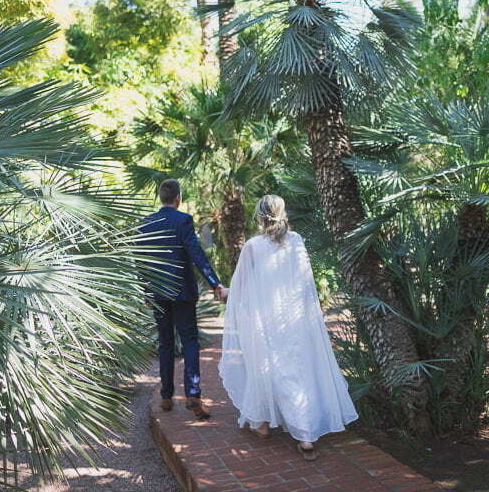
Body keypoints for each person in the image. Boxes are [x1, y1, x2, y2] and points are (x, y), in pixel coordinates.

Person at [218, 195, 358, 461]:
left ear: (259, 216)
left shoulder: (253, 246)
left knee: (266, 367)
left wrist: (226, 292)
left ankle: (271, 425)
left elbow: (242, 286)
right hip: (294, 319)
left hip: (265, 320)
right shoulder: (296, 241)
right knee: (295, 371)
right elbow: (306, 284)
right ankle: (296, 431)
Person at [139, 179, 226, 420]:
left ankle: (166, 396)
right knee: (189, 341)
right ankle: (193, 395)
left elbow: (141, 260)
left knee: (165, 343)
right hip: (182, 293)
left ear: (161, 198)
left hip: (157, 293)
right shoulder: (183, 220)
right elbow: (196, 253)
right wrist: (215, 283)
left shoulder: (146, 224)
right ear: (178, 198)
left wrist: (146, 290)